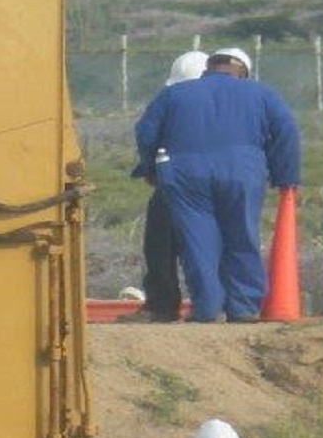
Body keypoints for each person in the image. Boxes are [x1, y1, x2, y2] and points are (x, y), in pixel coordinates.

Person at [134, 46, 301, 323]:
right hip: (243, 172)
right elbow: (286, 131)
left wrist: (150, 168)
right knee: (242, 237)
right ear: (243, 73)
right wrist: (286, 177)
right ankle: (244, 307)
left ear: (207, 69)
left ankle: (208, 309)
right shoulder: (262, 94)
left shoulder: (174, 94)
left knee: (198, 242)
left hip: (185, 176)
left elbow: (146, 131)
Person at [121, 50, 208, 323]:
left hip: (174, 180)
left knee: (162, 244)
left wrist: (150, 168)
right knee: (214, 246)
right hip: (223, 184)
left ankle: (162, 305)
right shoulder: (235, 99)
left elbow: (147, 132)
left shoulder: (170, 99)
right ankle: (214, 305)